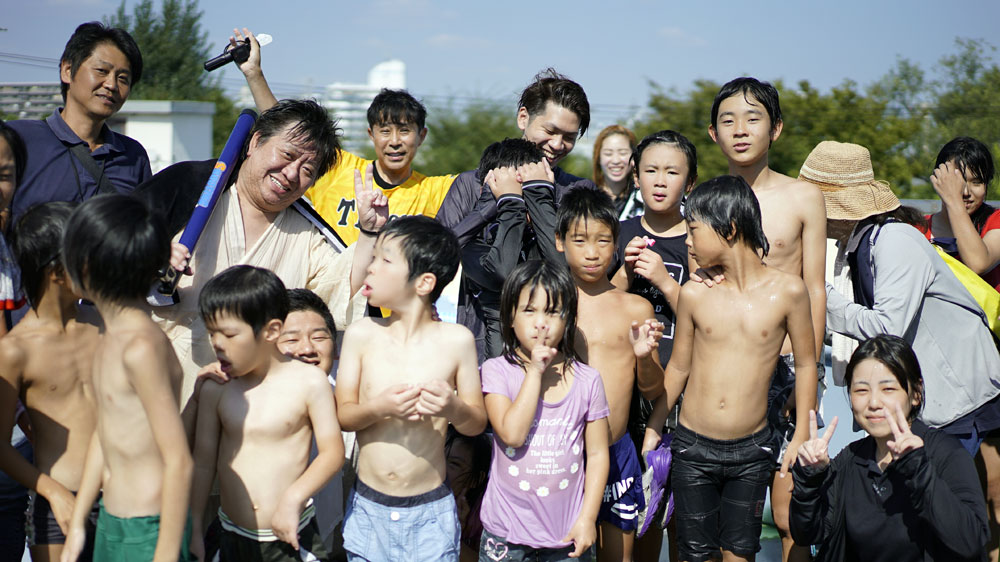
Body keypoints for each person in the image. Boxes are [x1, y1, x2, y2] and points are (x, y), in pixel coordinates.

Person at [808, 140, 1000, 560]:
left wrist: (822, 299)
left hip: (956, 401)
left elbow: (886, 329)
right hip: (932, 400)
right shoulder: (859, 245)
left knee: (947, 520)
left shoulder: (893, 240)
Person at [136, 98, 385, 402]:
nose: (291, 173)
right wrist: (151, 260)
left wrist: (370, 231)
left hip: (250, 406)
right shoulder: (186, 187)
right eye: (287, 154)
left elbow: (342, 290)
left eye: (307, 169)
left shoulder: (307, 235)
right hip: (157, 384)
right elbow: (109, 254)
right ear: (255, 141)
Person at [649, 175, 818, 562]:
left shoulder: (788, 291)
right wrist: (656, 425)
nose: (687, 241)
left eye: (693, 229)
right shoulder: (695, 293)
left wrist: (802, 432)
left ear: (728, 228)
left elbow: (807, 363)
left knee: (740, 553)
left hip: (752, 448)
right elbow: (678, 367)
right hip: (693, 445)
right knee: (694, 554)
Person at [708, 77, 827, 562]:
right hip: (720, 368)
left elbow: (815, 287)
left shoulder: (803, 197)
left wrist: (809, 374)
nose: (740, 130)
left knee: (789, 510)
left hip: (783, 367)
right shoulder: (705, 198)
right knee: (724, 516)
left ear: (775, 129)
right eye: (728, 120)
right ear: (713, 133)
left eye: (753, 118)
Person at [335, 216, 487, 561]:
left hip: (430, 515)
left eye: (384, 260)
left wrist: (452, 408)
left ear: (424, 282)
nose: (371, 268)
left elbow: (475, 423)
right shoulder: (362, 334)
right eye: (373, 258)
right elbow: (343, 415)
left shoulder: (456, 341)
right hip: (368, 509)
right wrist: (380, 408)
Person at [60, 194, 193, 562]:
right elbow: (105, 435)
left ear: (84, 266)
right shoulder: (109, 338)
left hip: (150, 529)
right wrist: (78, 526)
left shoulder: (141, 347)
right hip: (112, 522)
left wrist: (166, 553)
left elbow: (179, 460)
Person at [232, 28, 454, 247]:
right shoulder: (339, 168)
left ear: (422, 136)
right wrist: (254, 74)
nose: (394, 141)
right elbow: (288, 134)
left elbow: (484, 177)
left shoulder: (434, 190)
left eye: (404, 131)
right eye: (385, 131)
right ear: (371, 134)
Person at [189, 266, 344, 562]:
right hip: (230, 534)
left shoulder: (309, 382)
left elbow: (332, 453)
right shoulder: (217, 388)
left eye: (229, 334)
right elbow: (203, 464)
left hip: (290, 535)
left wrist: (293, 497)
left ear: (272, 330)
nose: (217, 344)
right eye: (212, 333)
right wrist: (195, 525)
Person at [790, 335, 989, 561]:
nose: (874, 403)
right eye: (861, 390)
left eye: (888, 389)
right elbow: (808, 534)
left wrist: (919, 471)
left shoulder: (945, 454)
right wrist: (809, 481)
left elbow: (972, 542)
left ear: (916, 393)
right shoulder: (850, 460)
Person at [554, 188, 663, 561]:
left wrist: (645, 357)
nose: (591, 252)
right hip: (560, 453)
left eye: (602, 240)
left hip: (617, 452)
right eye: (580, 240)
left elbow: (652, 390)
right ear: (559, 242)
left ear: (616, 245)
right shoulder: (547, 304)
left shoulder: (636, 306)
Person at [478, 259, 610, 561]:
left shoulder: (588, 380)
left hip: (565, 538)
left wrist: (588, 519)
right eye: (530, 310)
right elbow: (512, 434)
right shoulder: (497, 371)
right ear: (510, 317)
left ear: (568, 319)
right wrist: (535, 372)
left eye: (552, 312)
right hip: (506, 537)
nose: (541, 322)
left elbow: (599, 455)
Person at [611, 130, 698, 561]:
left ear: (690, 182)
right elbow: (600, 309)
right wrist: (625, 274)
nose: (660, 180)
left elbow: (709, 318)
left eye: (671, 171)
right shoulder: (619, 232)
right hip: (628, 392)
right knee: (640, 510)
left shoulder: (700, 237)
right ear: (635, 175)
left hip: (685, 391)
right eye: (650, 170)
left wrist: (664, 279)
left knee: (686, 515)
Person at [0, 203, 100, 562]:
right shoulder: (15, 351)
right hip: (61, 504)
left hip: (122, 497)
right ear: (57, 270)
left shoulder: (103, 325)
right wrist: (54, 492)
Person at [8, 22, 149, 225]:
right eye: (102, 70)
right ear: (67, 70)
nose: (111, 85)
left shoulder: (133, 156)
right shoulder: (20, 140)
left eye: (123, 78)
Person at [437, 68, 596, 247]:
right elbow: (436, 254)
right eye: (550, 131)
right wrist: (486, 210)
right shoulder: (469, 184)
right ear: (523, 118)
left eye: (569, 137)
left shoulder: (579, 191)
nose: (557, 144)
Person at [460, 138, 561, 359]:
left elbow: (561, 267)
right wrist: (510, 205)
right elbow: (504, 273)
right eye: (511, 193)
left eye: (528, 193)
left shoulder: (545, 237)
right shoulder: (475, 245)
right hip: (499, 378)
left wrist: (541, 198)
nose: (522, 200)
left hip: (552, 369)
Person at [919, 136, 1000, 291]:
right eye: (958, 182)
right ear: (938, 180)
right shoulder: (917, 228)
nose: (966, 192)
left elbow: (978, 263)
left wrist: (953, 200)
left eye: (977, 182)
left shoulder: (996, 221)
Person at [593, 125, 642, 220]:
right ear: (598, 158)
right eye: (608, 153)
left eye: (623, 153)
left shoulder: (642, 198)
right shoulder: (587, 198)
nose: (616, 160)